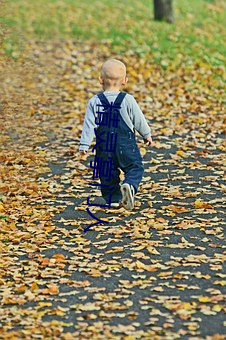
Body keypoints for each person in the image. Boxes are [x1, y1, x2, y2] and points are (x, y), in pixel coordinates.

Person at [79, 59, 152, 210]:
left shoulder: (94, 101)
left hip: (104, 146)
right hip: (125, 144)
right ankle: (130, 185)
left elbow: (89, 125)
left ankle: (112, 199)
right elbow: (138, 119)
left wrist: (84, 144)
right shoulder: (128, 100)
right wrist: (146, 134)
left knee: (107, 172)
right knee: (135, 167)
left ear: (101, 79)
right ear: (125, 81)